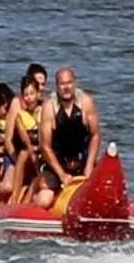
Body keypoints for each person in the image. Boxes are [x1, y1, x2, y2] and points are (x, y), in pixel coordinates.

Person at [41, 66, 101, 194]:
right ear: (57, 86)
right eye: (62, 84)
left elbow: (95, 135)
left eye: (69, 83)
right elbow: (45, 147)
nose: (66, 87)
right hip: (58, 166)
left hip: (83, 163)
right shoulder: (49, 107)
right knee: (45, 198)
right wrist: (62, 175)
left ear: (74, 83)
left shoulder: (86, 102)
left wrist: (89, 166)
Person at [5, 75, 47, 205]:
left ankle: (26, 202)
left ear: (38, 93)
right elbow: (27, 143)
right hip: (29, 158)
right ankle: (15, 198)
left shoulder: (45, 111)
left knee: (37, 177)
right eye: (26, 95)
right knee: (24, 153)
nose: (29, 98)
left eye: (32, 94)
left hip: (45, 157)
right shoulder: (20, 117)